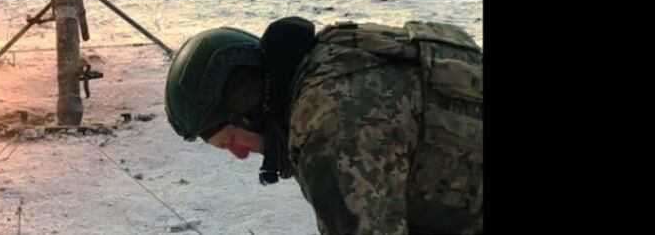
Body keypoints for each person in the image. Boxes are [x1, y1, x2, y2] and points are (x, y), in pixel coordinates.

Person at [164, 16, 482, 234]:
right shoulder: (336, 57)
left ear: (245, 108)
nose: (240, 155)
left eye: (229, 141)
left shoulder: (326, 126)